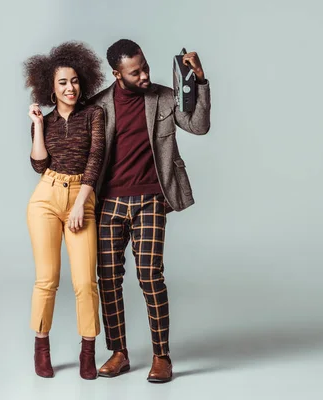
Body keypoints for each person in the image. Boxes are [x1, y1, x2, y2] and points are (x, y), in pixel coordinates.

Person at [90, 39, 211, 383]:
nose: (145, 75)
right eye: (135, 72)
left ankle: (162, 356)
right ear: (117, 74)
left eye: (145, 66)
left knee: (149, 275)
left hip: (150, 200)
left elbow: (199, 125)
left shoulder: (163, 96)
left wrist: (199, 81)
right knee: (108, 279)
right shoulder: (99, 105)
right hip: (108, 203)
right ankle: (119, 352)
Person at [23, 41, 105, 380]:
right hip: (46, 197)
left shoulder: (93, 115)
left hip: (80, 197)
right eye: (62, 83)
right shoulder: (46, 119)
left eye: (74, 81)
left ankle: (88, 351)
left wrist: (81, 203)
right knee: (47, 279)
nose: (70, 88)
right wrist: (38, 125)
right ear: (50, 87)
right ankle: (41, 348)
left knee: (86, 281)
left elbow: (95, 159)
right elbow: (39, 164)